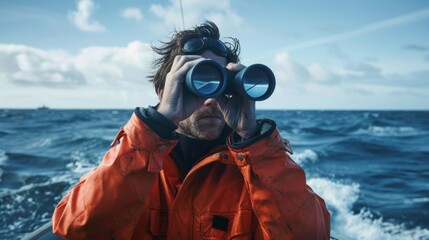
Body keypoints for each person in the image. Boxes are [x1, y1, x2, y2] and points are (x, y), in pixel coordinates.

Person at [52, 21, 330, 239]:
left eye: (220, 83)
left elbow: (312, 235)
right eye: (197, 81)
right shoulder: (135, 164)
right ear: (165, 92)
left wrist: (254, 140)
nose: (210, 99)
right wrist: (156, 125)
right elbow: (77, 228)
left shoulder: (259, 167)